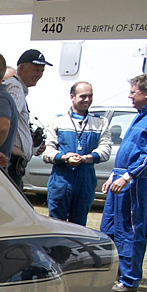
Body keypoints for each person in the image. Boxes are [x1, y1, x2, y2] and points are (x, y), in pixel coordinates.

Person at [101, 73, 147, 292]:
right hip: (121, 179)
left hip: (137, 184)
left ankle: (129, 280)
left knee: (131, 229)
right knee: (109, 228)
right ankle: (113, 273)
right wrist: (115, 174)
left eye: (134, 91)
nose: (130, 96)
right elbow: (128, 150)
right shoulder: (140, 115)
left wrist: (128, 176)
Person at [41, 81, 111, 226]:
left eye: (90, 96)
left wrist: (86, 158)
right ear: (72, 96)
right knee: (56, 223)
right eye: (83, 96)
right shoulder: (58, 121)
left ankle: (73, 250)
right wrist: (65, 157)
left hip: (86, 179)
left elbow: (105, 149)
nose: (87, 100)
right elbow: (47, 152)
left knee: (79, 225)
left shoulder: (100, 122)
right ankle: (56, 249)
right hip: (61, 179)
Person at [4, 49, 52, 191]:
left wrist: (32, 145)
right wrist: (10, 147)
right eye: (36, 70)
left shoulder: (18, 88)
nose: (39, 75)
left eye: (42, 71)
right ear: (21, 68)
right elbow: (5, 121)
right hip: (11, 164)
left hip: (14, 164)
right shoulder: (16, 88)